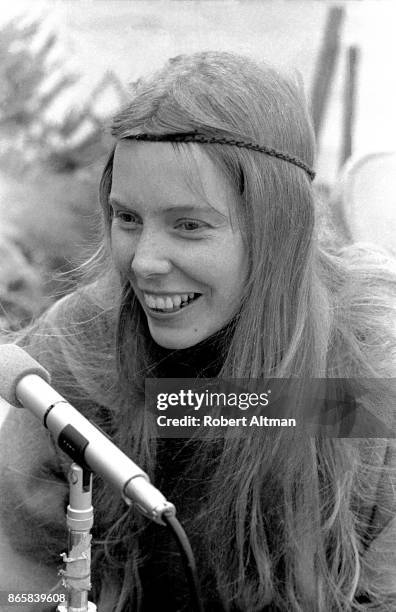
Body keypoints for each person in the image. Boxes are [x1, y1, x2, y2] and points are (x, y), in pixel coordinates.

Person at [0, 51, 395, 611]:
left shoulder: (371, 363)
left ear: (278, 229)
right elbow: (20, 582)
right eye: (128, 218)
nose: (144, 262)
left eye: (189, 226)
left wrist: (191, 409)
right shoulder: (77, 353)